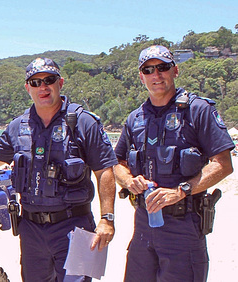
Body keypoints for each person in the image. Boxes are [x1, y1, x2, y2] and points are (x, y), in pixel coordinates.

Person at [0, 58, 117, 282]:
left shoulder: (84, 123)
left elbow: (104, 171)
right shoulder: (18, 126)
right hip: (32, 229)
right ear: (28, 88)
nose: (43, 87)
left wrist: (107, 219)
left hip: (74, 226)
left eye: (49, 80)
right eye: (35, 82)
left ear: (60, 83)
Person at [114, 45, 235, 281]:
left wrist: (181, 191)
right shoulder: (135, 118)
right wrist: (130, 181)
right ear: (141, 77)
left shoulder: (198, 110)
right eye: (148, 70)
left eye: (163, 68)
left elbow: (223, 163)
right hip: (143, 226)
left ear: (175, 71)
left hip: (184, 226)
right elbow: (116, 163)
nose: (156, 75)